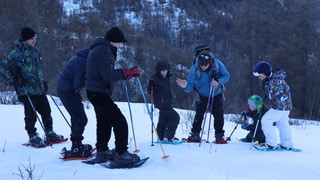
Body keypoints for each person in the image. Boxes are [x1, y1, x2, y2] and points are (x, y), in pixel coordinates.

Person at [84, 27, 141, 165]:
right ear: (112, 41)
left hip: (95, 91)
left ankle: (102, 151)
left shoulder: (100, 48)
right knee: (119, 121)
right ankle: (122, 153)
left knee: (104, 121)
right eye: (119, 42)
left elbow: (104, 74)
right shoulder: (103, 50)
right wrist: (126, 73)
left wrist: (124, 74)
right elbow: (107, 74)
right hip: (97, 92)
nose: (121, 45)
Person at [6, 27, 64, 148]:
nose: (34, 40)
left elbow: (38, 69)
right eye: (32, 38)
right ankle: (32, 135)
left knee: (46, 111)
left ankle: (49, 132)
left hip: (39, 88)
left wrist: (43, 82)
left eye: (35, 38)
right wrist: (15, 80)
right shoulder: (16, 53)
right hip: (25, 90)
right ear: (25, 39)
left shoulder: (36, 51)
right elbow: (3, 69)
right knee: (31, 113)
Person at [176, 46, 230, 144]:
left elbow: (226, 75)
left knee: (218, 115)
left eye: (205, 65)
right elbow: (190, 87)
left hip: (216, 93)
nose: (203, 67)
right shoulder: (194, 69)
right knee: (199, 115)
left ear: (210, 62)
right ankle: (195, 135)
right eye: (201, 65)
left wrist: (218, 82)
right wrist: (185, 86)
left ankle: (219, 136)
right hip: (201, 95)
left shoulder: (217, 64)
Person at [57, 47, 92, 158]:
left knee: (77, 117)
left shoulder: (82, 58)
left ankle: (77, 144)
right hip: (66, 91)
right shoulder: (83, 61)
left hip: (69, 91)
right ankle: (76, 147)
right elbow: (77, 84)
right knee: (81, 118)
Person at [252, 61, 293, 150]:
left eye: (259, 76)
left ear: (265, 73)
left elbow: (272, 94)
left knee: (266, 120)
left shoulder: (275, 81)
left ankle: (271, 143)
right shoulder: (271, 78)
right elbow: (267, 93)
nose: (259, 78)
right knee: (282, 123)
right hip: (285, 106)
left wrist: (265, 92)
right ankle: (287, 144)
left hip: (279, 106)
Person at [147, 59, 180, 142]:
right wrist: (151, 86)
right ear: (158, 70)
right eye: (162, 71)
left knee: (163, 119)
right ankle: (169, 136)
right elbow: (150, 91)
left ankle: (160, 136)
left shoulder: (167, 78)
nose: (164, 72)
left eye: (166, 70)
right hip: (161, 104)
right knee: (175, 117)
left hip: (167, 103)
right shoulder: (155, 79)